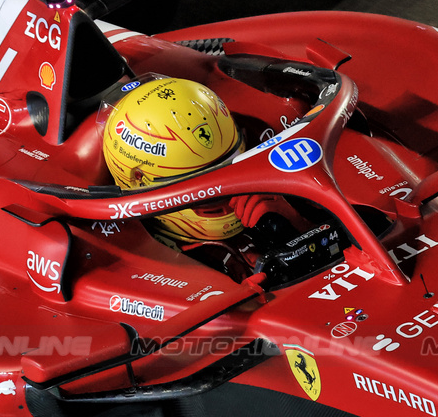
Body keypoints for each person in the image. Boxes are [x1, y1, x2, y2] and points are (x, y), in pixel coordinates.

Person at [101, 77, 307, 279]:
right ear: (139, 181)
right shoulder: (138, 264)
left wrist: (297, 222)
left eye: (229, 169)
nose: (224, 195)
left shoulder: (274, 208)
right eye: (200, 185)